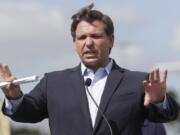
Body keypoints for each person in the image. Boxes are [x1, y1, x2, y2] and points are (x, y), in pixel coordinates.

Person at [0, 3, 179, 135]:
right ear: (74, 44)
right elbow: (26, 113)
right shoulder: (53, 83)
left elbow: (166, 116)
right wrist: (13, 97)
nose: (88, 43)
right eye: (82, 37)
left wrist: (159, 100)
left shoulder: (137, 82)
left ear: (111, 40)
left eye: (95, 36)